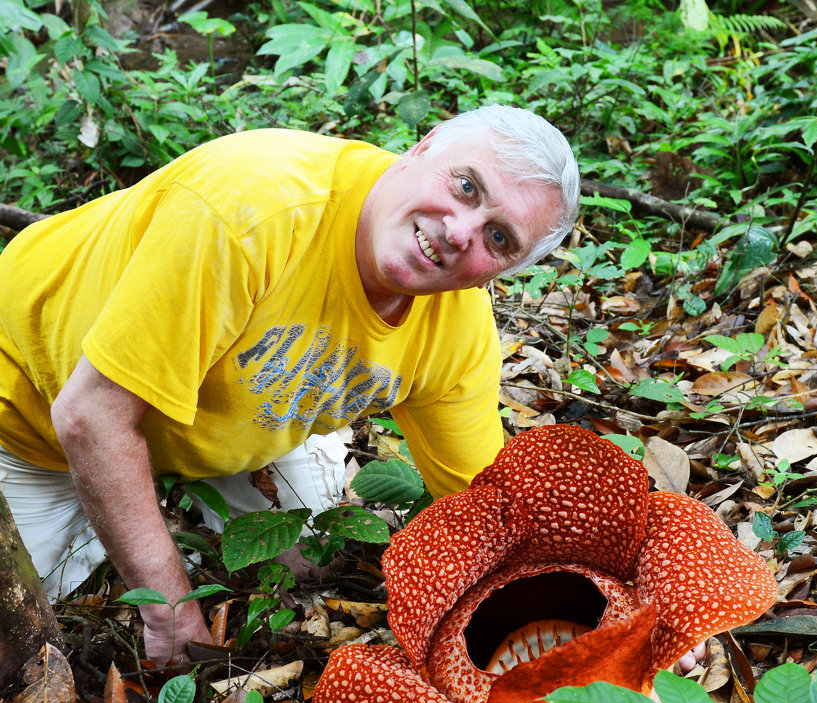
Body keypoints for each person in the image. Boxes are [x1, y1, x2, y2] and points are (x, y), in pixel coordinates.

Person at [0, 105, 580, 665]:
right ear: (423, 147)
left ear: (507, 270)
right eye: (467, 187)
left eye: (499, 238)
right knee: (23, 623)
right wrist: (170, 610)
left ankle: (184, 485)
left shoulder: (458, 329)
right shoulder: (252, 211)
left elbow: (485, 505)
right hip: (36, 398)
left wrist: (586, 626)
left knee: (307, 572)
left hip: (236, 394)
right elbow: (90, 415)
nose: (460, 231)